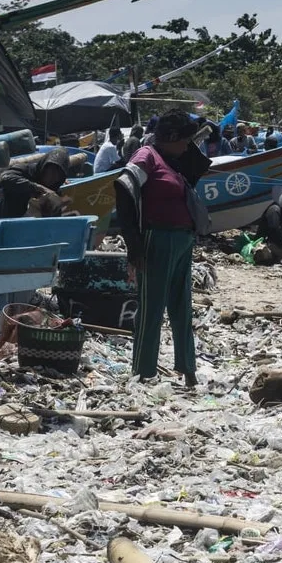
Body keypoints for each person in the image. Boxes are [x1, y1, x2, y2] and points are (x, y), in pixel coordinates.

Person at [114, 109, 210, 387]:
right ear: (169, 137)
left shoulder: (174, 159)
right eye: (184, 140)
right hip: (157, 238)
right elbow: (123, 187)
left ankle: (188, 369)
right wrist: (134, 246)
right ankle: (143, 371)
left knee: (182, 307)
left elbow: (194, 167)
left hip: (182, 240)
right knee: (152, 308)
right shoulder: (147, 156)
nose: (187, 146)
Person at [0, 148, 70, 218]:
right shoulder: (25, 170)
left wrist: (49, 211)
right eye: (52, 171)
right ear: (44, 167)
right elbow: (5, 178)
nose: (53, 177)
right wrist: (37, 187)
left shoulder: (54, 192)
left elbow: (54, 222)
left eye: (59, 174)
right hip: (7, 221)